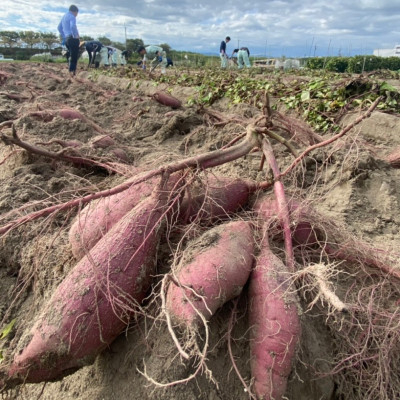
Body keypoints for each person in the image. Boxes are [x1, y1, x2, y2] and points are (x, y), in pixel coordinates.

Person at [57, 5, 80, 76]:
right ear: (75, 11)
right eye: (77, 13)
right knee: (74, 55)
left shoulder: (64, 17)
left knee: (70, 54)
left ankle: (70, 69)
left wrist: (64, 36)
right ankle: (72, 71)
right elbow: (73, 26)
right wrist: (75, 35)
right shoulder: (72, 17)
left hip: (67, 39)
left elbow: (59, 28)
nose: (76, 15)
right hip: (72, 38)